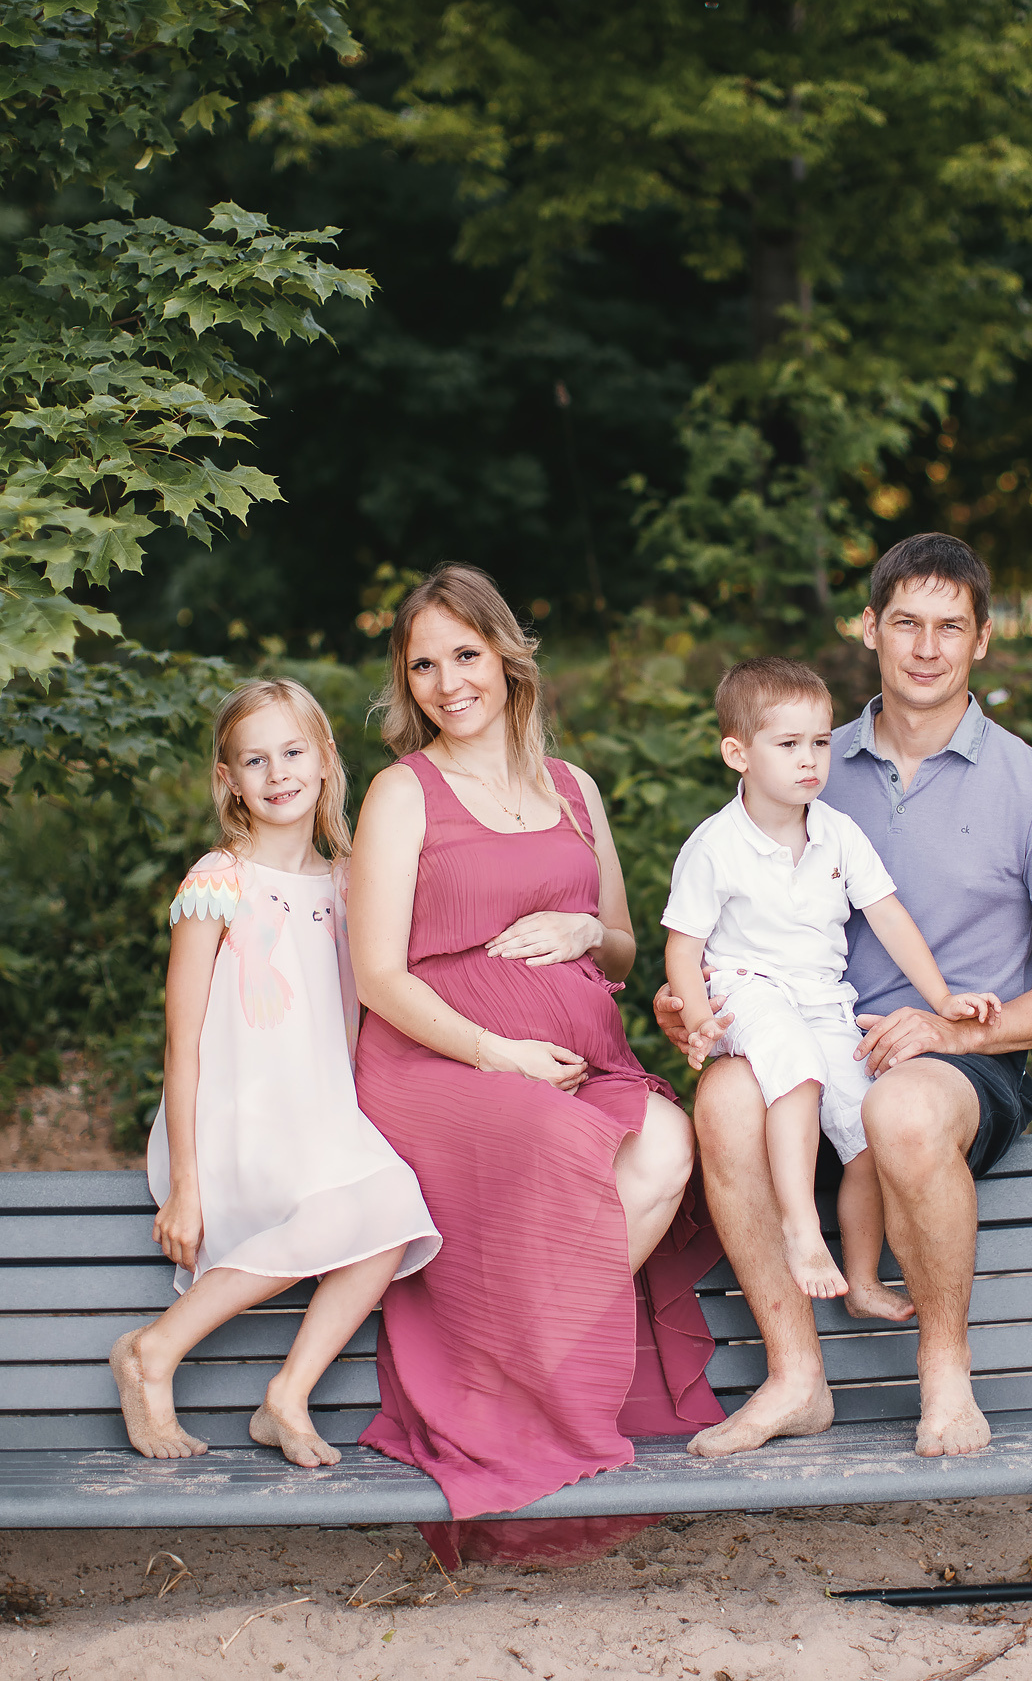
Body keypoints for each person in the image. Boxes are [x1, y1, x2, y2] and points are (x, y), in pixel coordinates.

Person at [660, 533, 1032, 1460]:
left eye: (951, 626)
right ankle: (796, 1378)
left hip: (959, 1068)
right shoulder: (805, 756)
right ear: (869, 627)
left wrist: (955, 1027)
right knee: (722, 1098)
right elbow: (722, 926)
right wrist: (692, 1005)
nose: (926, 647)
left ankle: (944, 1373)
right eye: (905, 621)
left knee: (903, 1105)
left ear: (983, 639)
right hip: (810, 1039)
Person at [348, 562, 722, 1568]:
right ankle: (501, 1395)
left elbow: (621, 950)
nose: (445, 681)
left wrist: (578, 928)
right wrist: (496, 1053)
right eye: (422, 664)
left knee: (669, 1144)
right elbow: (377, 976)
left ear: (506, 658)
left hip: (573, 1054)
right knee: (562, 1145)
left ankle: (512, 1379)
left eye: (463, 655)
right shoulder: (401, 793)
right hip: (437, 1058)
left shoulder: (572, 789)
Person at [110, 679, 442, 1466]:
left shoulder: (347, 883)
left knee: (394, 1215)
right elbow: (181, 1042)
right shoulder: (217, 880)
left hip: (321, 1119)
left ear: (326, 759)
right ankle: (152, 1351)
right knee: (357, 1212)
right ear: (228, 779)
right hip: (235, 1121)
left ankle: (286, 1395)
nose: (278, 772)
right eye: (254, 760)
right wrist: (186, 1182)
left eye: (293, 751)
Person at [662, 657, 999, 1317]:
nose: (810, 758)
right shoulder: (715, 846)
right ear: (738, 753)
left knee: (869, 1130)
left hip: (823, 999)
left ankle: (863, 1278)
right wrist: (700, 1016)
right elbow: (684, 946)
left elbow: (889, 916)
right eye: (787, 744)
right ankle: (799, 1227)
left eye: (819, 741)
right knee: (796, 1069)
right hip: (748, 989)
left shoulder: (838, 833)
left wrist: (942, 999)